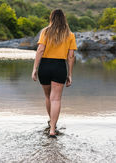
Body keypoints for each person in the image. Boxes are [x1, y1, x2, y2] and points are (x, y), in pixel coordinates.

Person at [31, 9, 77, 138]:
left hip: (45, 66)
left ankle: (51, 122)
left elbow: (40, 50)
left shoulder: (45, 31)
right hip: (59, 67)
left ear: (51, 18)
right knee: (56, 98)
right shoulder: (70, 34)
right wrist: (70, 74)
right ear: (64, 19)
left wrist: (35, 68)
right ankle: (52, 129)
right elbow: (71, 56)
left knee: (48, 97)